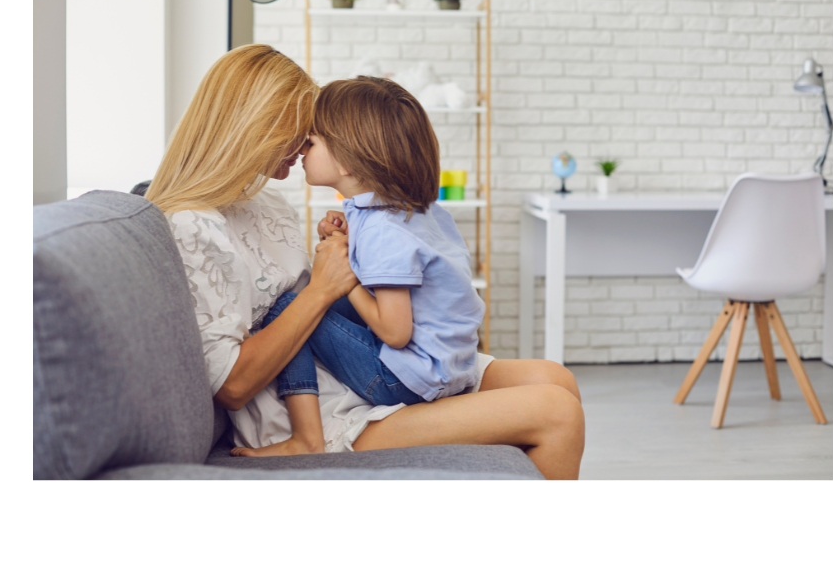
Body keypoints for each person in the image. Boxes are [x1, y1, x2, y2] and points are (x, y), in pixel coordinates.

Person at [146, 44, 584, 479]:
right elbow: (234, 384)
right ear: (254, 127)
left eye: (310, 135)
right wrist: (324, 288)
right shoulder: (192, 226)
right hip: (317, 409)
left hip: (357, 367)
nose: (302, 145)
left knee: (554, 378)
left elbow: (337, 292)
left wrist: (346, 261)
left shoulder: (266, 202)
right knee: (556, 412)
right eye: (299, 130)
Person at [232, 75, 571, 461]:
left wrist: (344, 279)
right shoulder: (409, 210)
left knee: (288, 309)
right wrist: (341, 238)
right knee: (311, 301)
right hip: (452, 364)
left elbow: (394, 332)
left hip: (404, 380)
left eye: (311, 142)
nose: (302, 151)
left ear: (344, 158)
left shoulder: (381, 231)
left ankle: (305, 439)